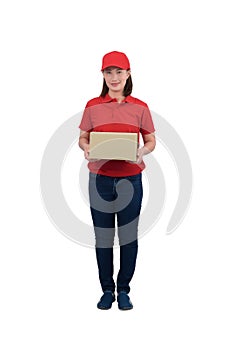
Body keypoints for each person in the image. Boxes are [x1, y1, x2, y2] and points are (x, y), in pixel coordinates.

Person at [79, 51, 156, 310]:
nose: (114, 77)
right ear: (102, 75)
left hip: (130, 181)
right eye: (108, 72)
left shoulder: (140, 107)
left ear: (128, 74)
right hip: (99, 180)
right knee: (103, 238)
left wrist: (142, 151)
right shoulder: (92, 106)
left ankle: (124, 289)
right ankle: (106, 290)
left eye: (119, 72)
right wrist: (86, 148)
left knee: (128, 238)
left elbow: (151, 141)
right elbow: (82, 138)